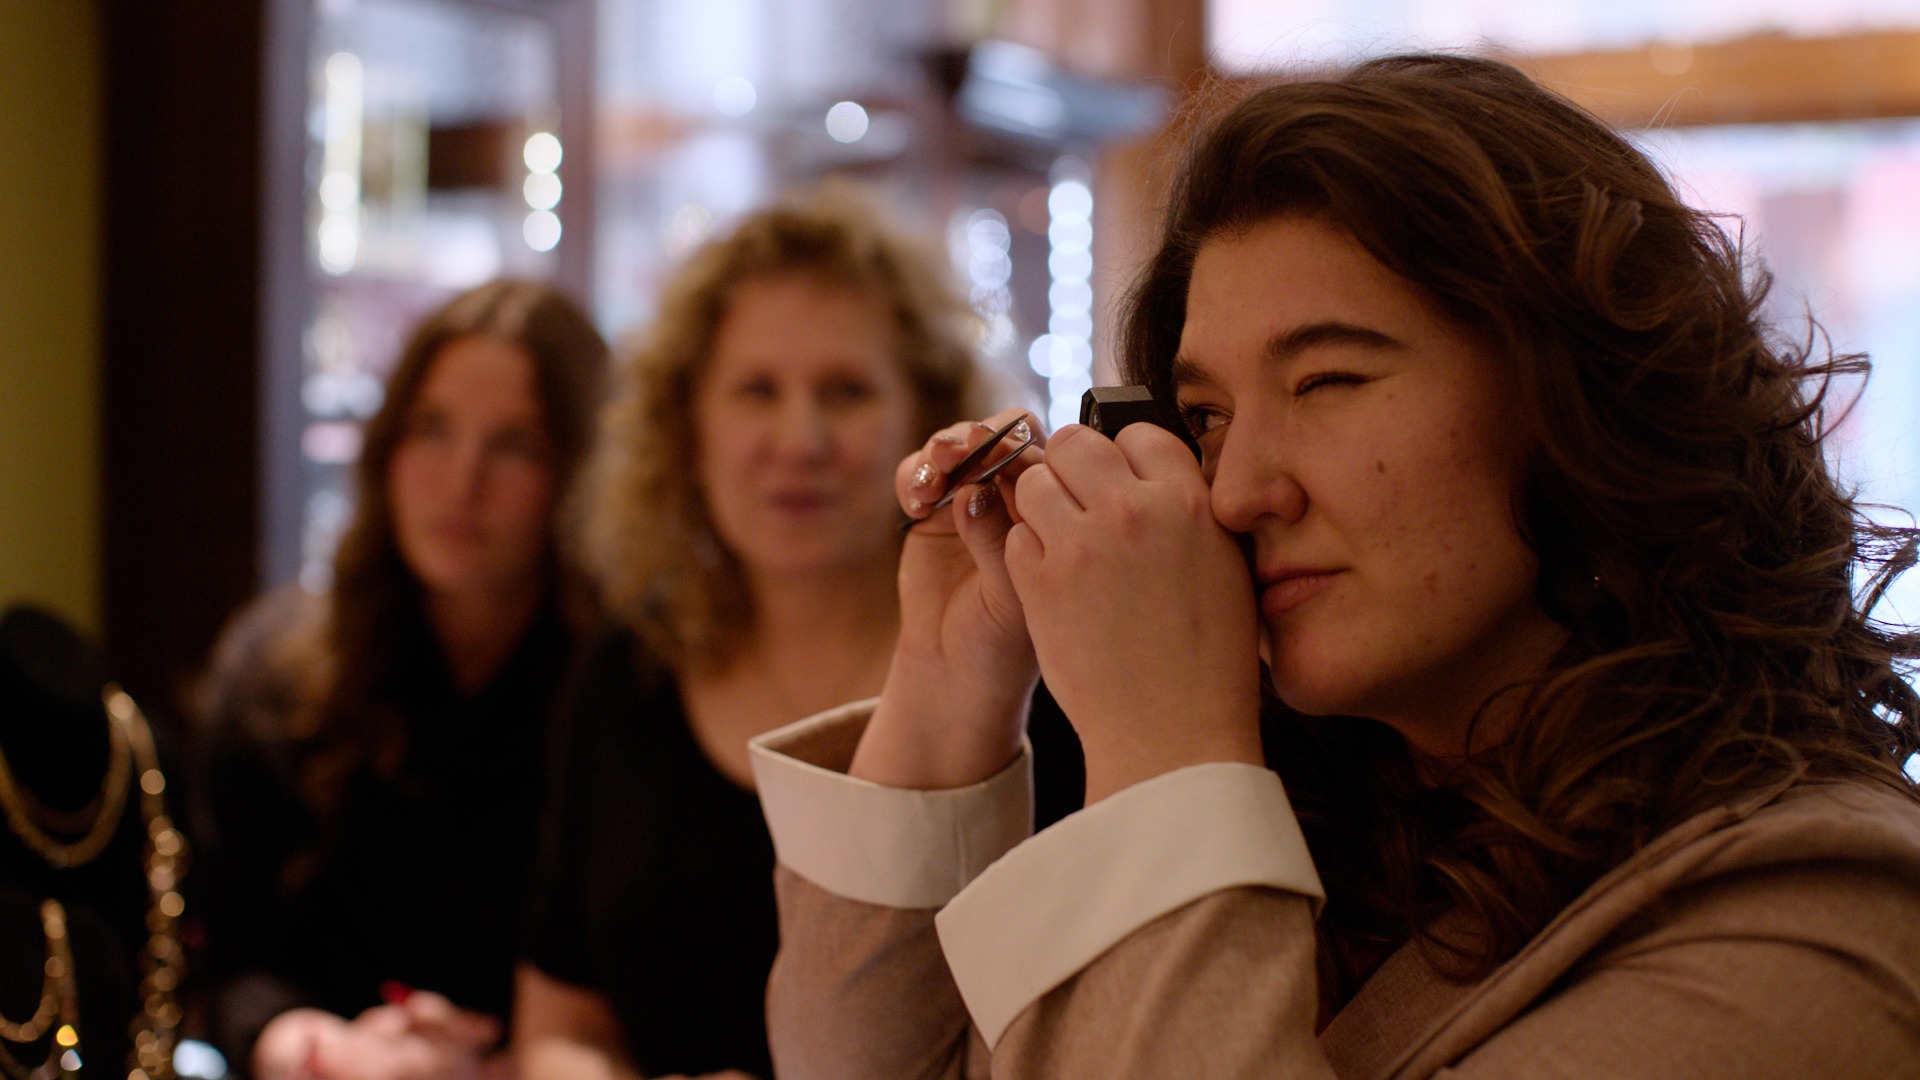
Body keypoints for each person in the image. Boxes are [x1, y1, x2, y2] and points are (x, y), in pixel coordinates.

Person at [748, 53, 1920, 1077]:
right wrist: (949, 685)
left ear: (1582, 409)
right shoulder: (1357, 826)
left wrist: (1166, 751)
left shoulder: (1818, 916)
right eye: (1206, 416)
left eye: (1328, 382)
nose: (1239, 491)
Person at [511, 183, 1085, 1080]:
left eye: (845, 391)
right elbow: (560, 1028)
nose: (800, 438)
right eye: (756, 391)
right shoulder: (627, 674)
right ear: (687, 428)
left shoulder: (1028, 674)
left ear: (923, 415)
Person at [190, 280, 608, 1080]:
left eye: (515, 445)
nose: (461, 481)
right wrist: (317, 1046)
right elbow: (226, 958)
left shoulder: (626, 698)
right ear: (386, 447)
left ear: (579, 474)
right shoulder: (277, 673)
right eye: (432, 430)